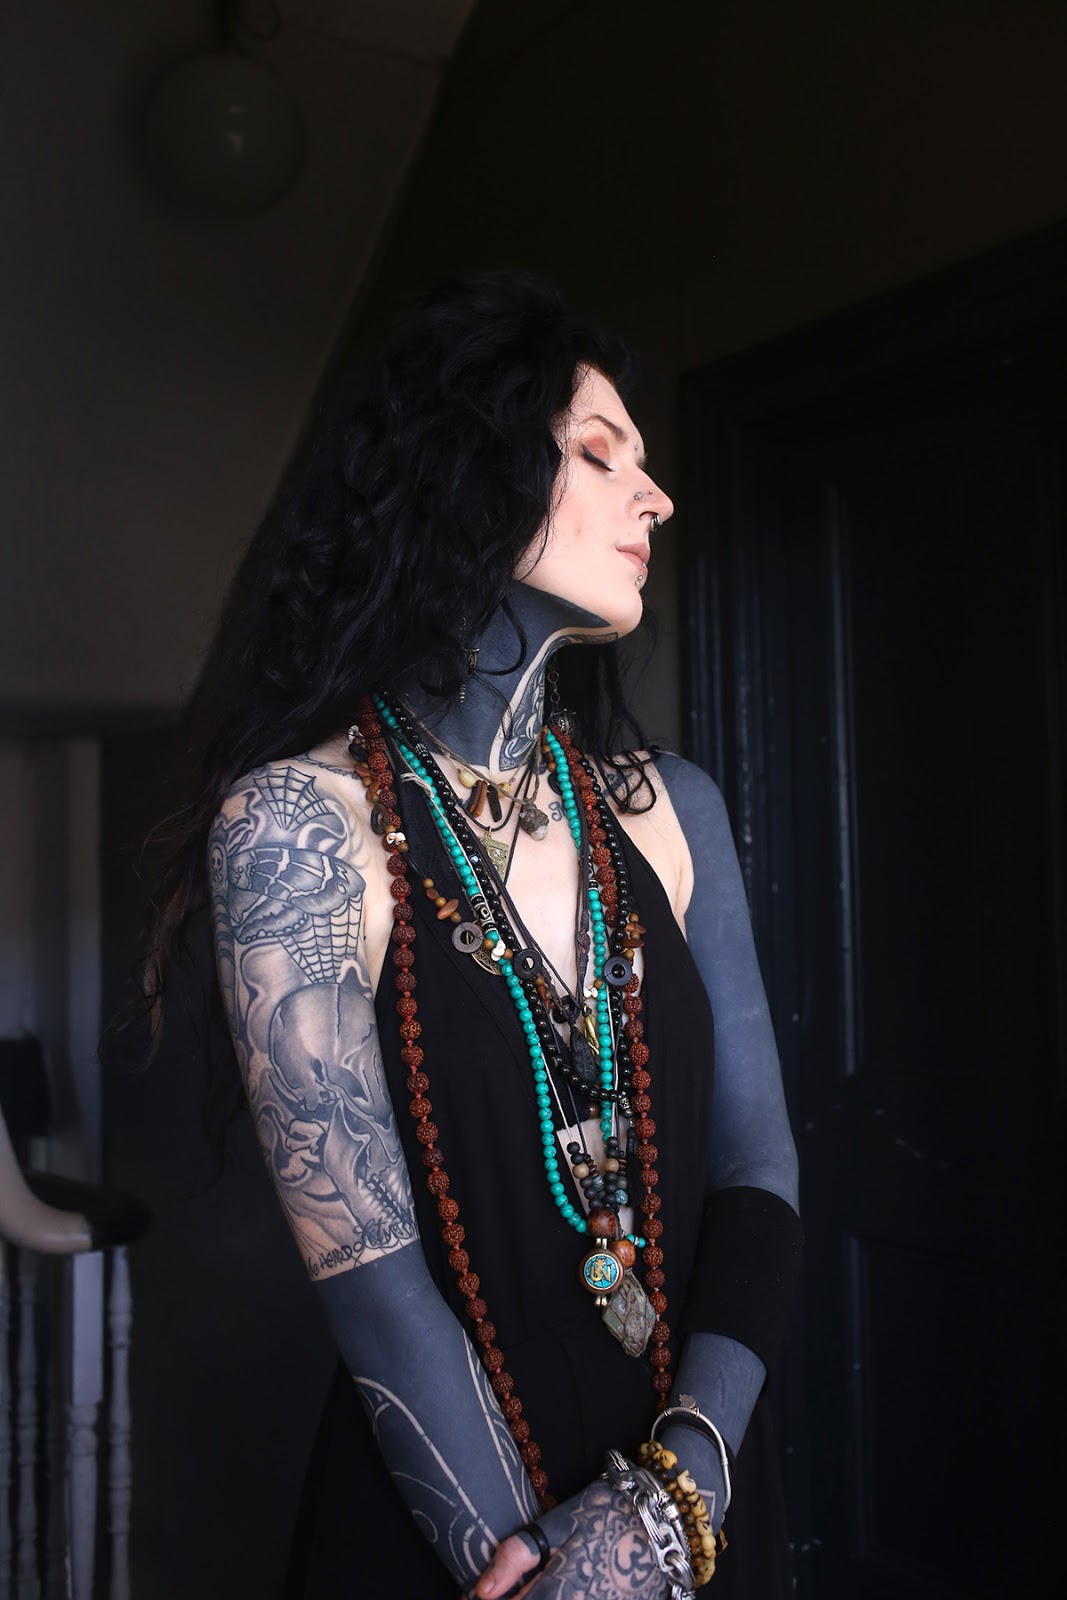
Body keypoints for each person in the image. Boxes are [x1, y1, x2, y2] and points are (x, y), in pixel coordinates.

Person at [150, 270, 802, 1600]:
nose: (655, 497)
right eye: (600, 452)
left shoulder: (673, 811)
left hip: (700, 1505)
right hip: (457, 1533)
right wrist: (546, 1575)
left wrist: (677, 1496)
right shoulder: (300, 827)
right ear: (472, 475)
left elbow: (759, 1174)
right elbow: (376, 1288)